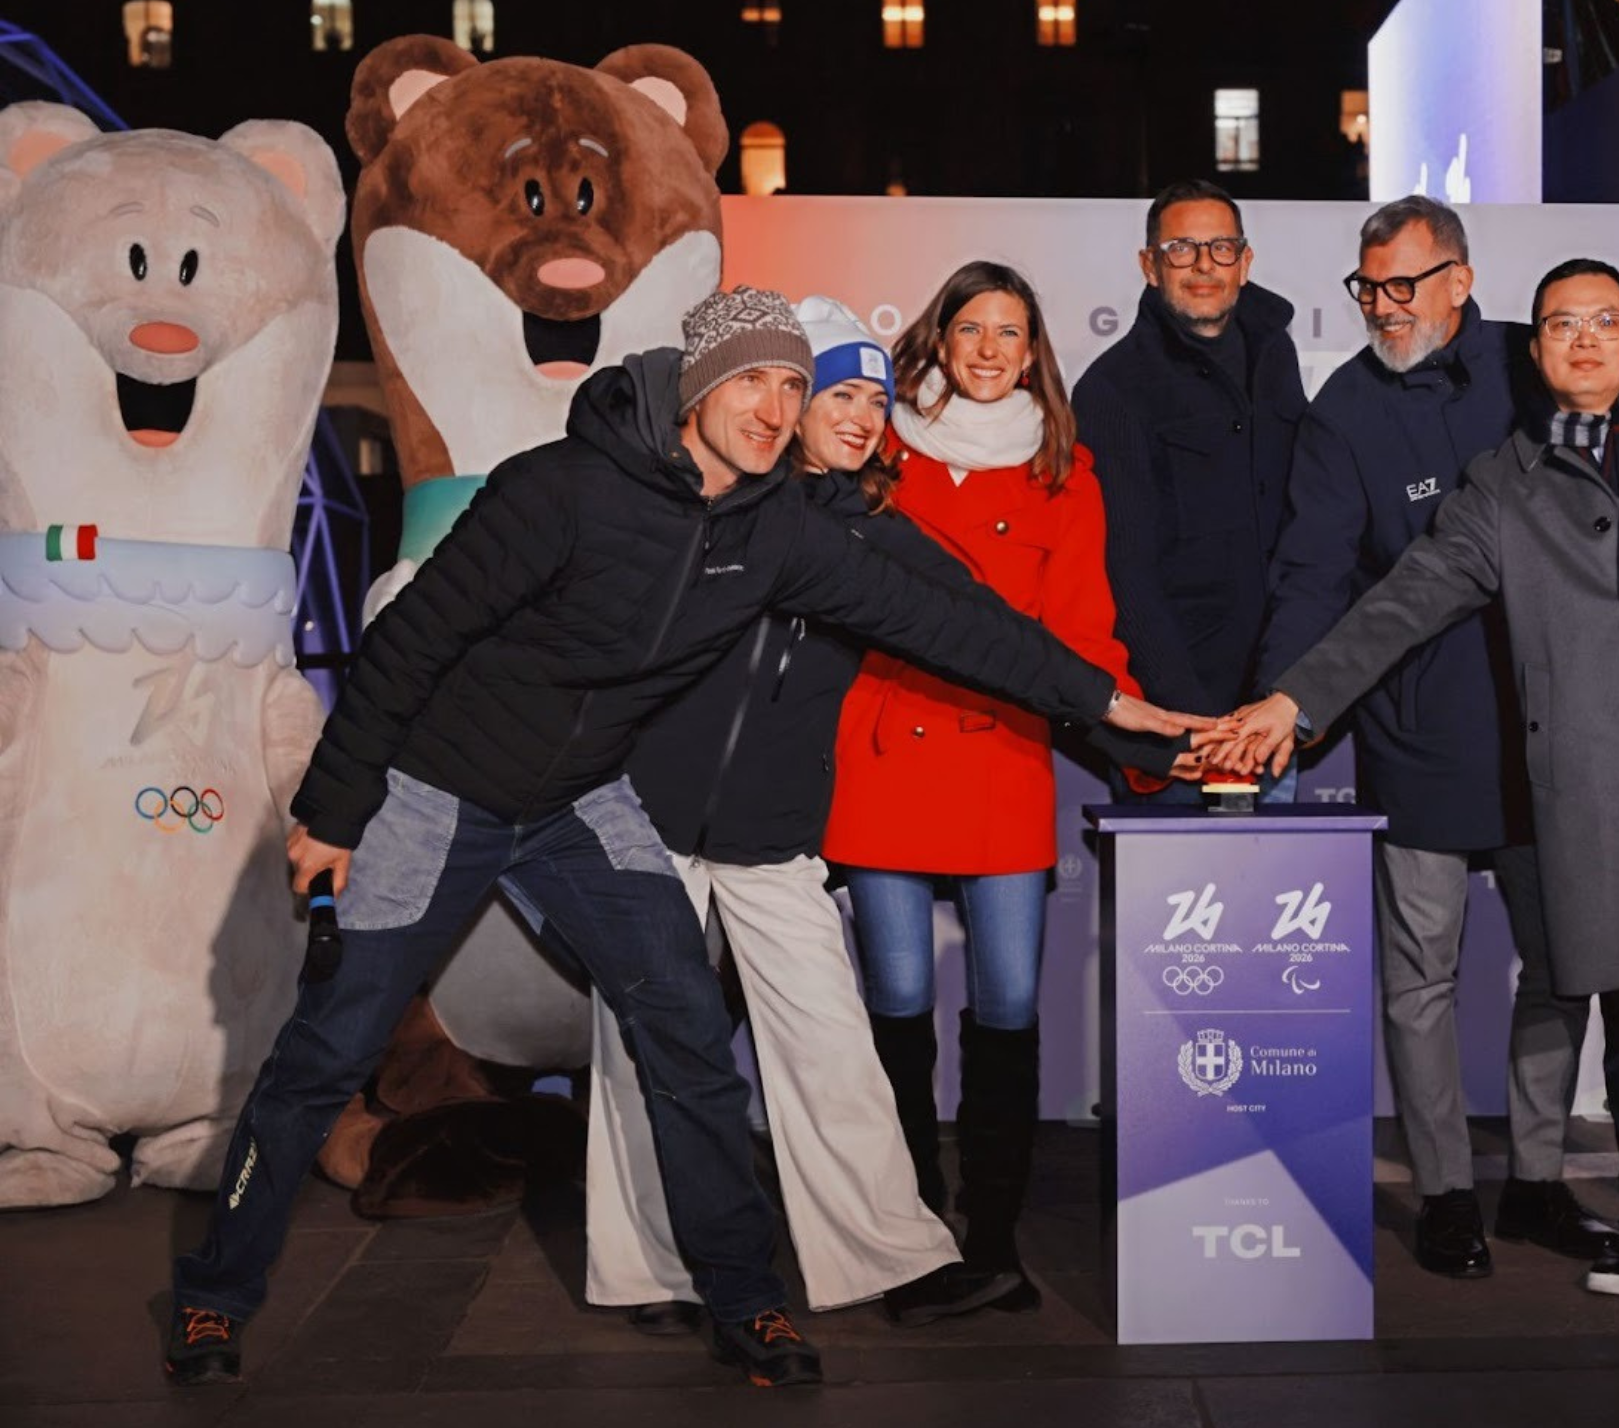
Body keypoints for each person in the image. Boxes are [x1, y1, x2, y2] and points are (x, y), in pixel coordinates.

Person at [163, 287, 1210, 1390]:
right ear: (699, 382)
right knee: (328, 1047)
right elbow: (409, 646)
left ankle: (743, 1299)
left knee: (687, 1035)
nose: (775, 405)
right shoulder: (558, 491)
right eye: (755, 378)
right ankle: (214, 1298)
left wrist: (1108, 704)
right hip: (444, 791)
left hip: (579, 803)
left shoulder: (777, 534)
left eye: (794, 386)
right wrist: (335, 813)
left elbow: (951, 623)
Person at [1216, 258, 1619, 1303]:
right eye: (1561, 324)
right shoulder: (1500, 490)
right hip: (1598, 798)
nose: (1585, 340)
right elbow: (1398, 604)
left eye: (1605, 321)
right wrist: (1291, 702)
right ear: (1534, 348)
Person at [582, 296, 1193, 1329]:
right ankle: (648, 1269)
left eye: (873, 395)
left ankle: (888, 1256)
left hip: (772, 836)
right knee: (644, 1049)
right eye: (834, 392)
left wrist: (1123, 716)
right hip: (649, 820)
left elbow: (984, 627)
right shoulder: (699, 499)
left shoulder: (870, 528)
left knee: (831, 1049)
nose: (860, 414)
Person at [1257, 196, 1610, 1277]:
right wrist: (1279, 706)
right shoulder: (1342, 412)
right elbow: (1312, 573)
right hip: (1419, 734)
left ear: (1458, 279)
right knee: (1419, 979)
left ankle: (1538, 1181)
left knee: (1565, 966)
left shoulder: (1534, 358)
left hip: (1555, 734)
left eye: (1400, 286)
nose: (1379, 307)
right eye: (1366, 288)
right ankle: (1448, 1192)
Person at [822, 261, 1172, 1310]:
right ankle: (912, 1227)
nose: (986, 349)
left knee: (1008, 1002)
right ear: (937, 338)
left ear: (1033, 352)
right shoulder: (873, 454)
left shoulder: (1064, 471)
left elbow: (1080, 636)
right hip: (880, 757)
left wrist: (1140, 741)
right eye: (968, 327)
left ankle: (992, 1240)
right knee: (896, 999)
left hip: (1001, 759)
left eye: (1008, 332)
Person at [1071, 179, 1306, 800]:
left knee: (1277, 893)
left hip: (1275, 711)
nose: (1204, 266)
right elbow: (1127, 574)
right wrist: (1200, 729)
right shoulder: (1111, 390)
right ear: (1150, 265)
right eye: (1182, 249)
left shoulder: (1276, 353)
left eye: (1221, 248)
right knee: (1182, 899)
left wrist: (1287, 692)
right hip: (1179, 730)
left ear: (1245, 261)